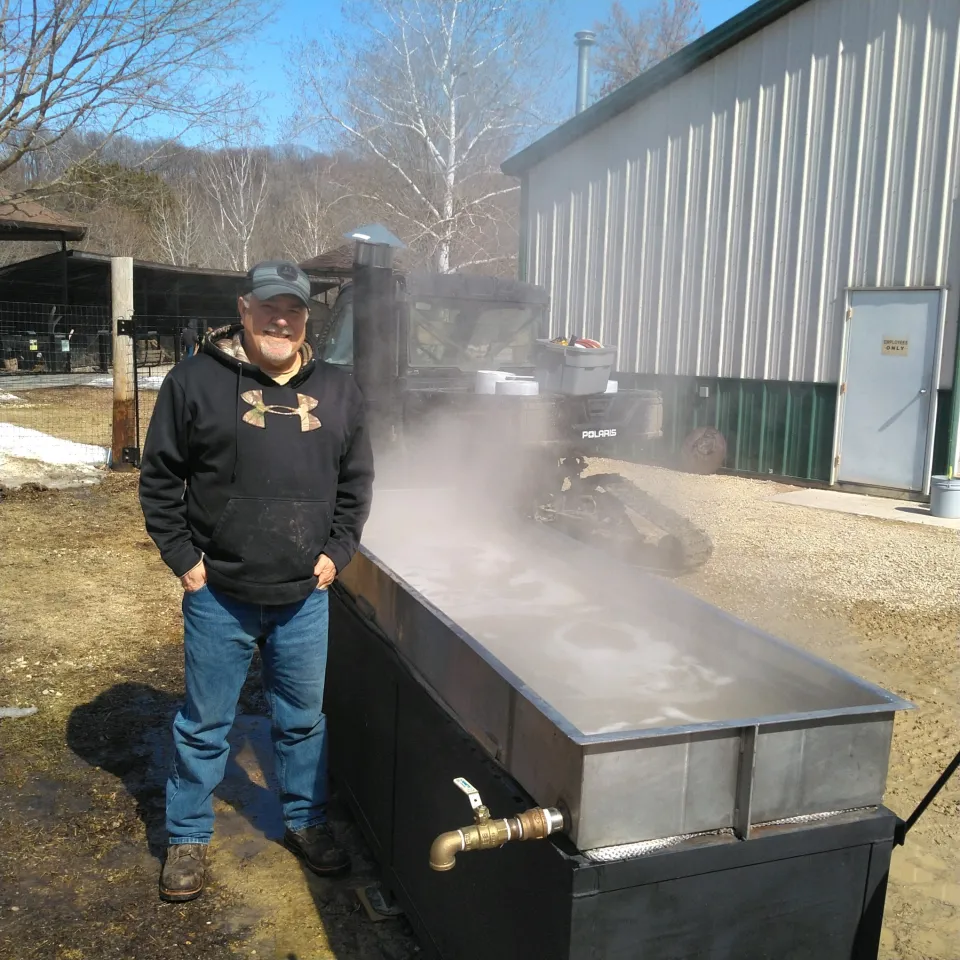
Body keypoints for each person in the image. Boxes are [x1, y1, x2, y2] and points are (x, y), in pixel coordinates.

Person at [138, 260, 375, 903]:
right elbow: (160, 480)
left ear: (305, 318)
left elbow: (356, 483)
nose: (281, 319)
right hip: (218, 593)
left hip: (306, 594)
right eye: (269, 307)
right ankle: (186, 837)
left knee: (301, 722)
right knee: (204, 723)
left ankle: (305, 821)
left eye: (293, 309)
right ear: (244, 310)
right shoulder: (194, 382)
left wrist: (339, 550)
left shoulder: (339, 390)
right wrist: (184, 560)